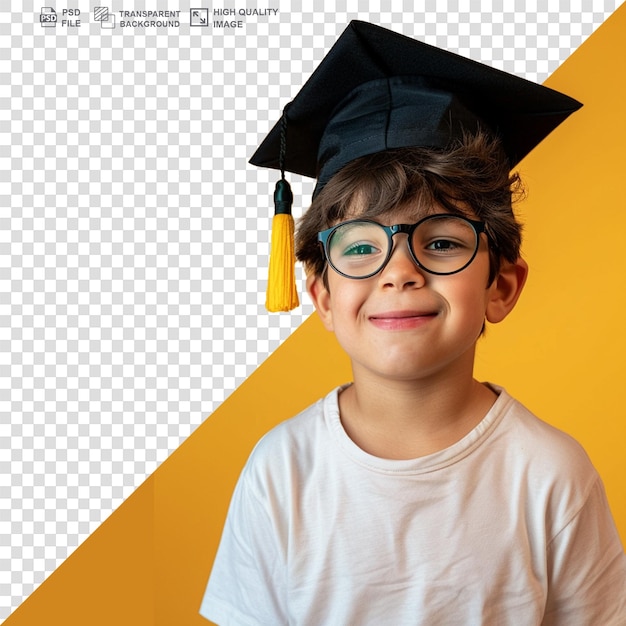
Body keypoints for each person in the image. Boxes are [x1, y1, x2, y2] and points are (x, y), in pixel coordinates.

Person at [200, 21, 626, 625]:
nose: (399, 272)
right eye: (358, 247)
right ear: (321, 293)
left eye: (444, 243)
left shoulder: (551, 474)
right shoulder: (282, 471)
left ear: (501, 286)